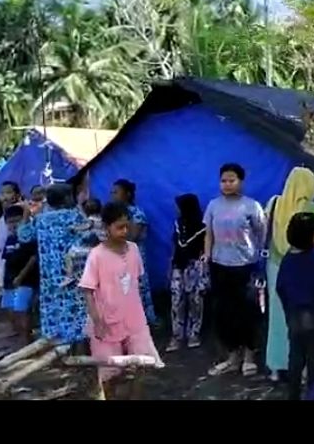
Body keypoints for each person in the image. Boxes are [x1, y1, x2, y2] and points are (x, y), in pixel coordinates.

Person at [79, 201, 162, 400]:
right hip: (106, 323)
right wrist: (98, 322)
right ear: (107, 228)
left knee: (143, 364)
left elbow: (135, 284)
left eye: (127, 226)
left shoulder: (133, 249)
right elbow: (88, 291)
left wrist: (141, 313)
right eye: (119, 227)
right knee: (110, 373)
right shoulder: (96, 255)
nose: (125, 231)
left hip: (134, 320)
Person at [203, 163, 267, 376]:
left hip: (246, 267)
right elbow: (209, 234)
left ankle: (249, 357)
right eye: (223, 180)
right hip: (220, 266)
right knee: (224, 314)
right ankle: (232, 357)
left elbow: (261, 234)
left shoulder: (252, 206)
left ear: (241, 182)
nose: (227, 184)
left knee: (247, 312)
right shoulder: (213, 205)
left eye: (232, 180)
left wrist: (258, 259)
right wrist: (208, 256)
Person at [264, 167, 314, 382]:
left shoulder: (274, 203)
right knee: (304, 320)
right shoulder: (310, 207)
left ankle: (275, 367)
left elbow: (266, 235)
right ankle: (304, 368)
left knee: (276, 317)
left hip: (275, 266)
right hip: (303, 268)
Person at [18, 183, 86, 343]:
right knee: (76, 307)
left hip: (50, 275)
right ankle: (79, 345)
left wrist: (27, 213)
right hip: (74, 272)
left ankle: (58, 346)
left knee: (54, 307)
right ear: (67, 198)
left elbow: (23, 236)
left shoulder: (42, 220)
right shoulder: (75, 216)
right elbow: (89, 232)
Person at [276, 212, 314, 400]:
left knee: (296, 356)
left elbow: (280, 287)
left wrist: (287, 309)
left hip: (293, 315)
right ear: (312, 235)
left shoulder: (287, 259)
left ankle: (293, 394)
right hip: (313, 316)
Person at [166, 194, 208, 352]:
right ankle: (177, 336)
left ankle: (194, 334)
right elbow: (175, 246)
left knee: (196, 301)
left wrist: (204, 270)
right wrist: (170, 266)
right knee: (177, 301)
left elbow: (205, 248)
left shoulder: (203, 225)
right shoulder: (178, 224)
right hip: (178, 266)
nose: (176, 209)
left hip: (196, 266)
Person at [112, 179, 155, 325]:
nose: (113, 195)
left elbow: (132, 237)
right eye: (112, 192)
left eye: (116, 192)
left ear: (128, 194)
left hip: (132, 256)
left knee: (138, 288)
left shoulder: (137, 213)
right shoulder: (115, 213)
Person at [0, 205, 38, 346]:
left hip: (25, 281)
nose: (14, 225)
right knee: (11, 313)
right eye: (10, 222)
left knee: (22, 311)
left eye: (17, 220)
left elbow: (33, 259)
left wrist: (20, 277)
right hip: (9, 281)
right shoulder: (9, 240)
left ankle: (27, 343)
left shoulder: (27, 238)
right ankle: (20, 341)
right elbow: (6, 261)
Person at [63, 198, 104, 288]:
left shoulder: (92, 219)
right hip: (101, 246)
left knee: (70, 254)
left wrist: (74, 228)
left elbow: (86, 226)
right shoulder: (101, 219)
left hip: (93, 247)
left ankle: (69, 276)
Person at [0, 181, 22, 288]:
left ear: (17, 195)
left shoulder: (22, 212)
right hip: (4, 258)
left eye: (8, 192)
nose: (5, 196)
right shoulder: (2, 217)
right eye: (2, 193)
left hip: (17, 256)